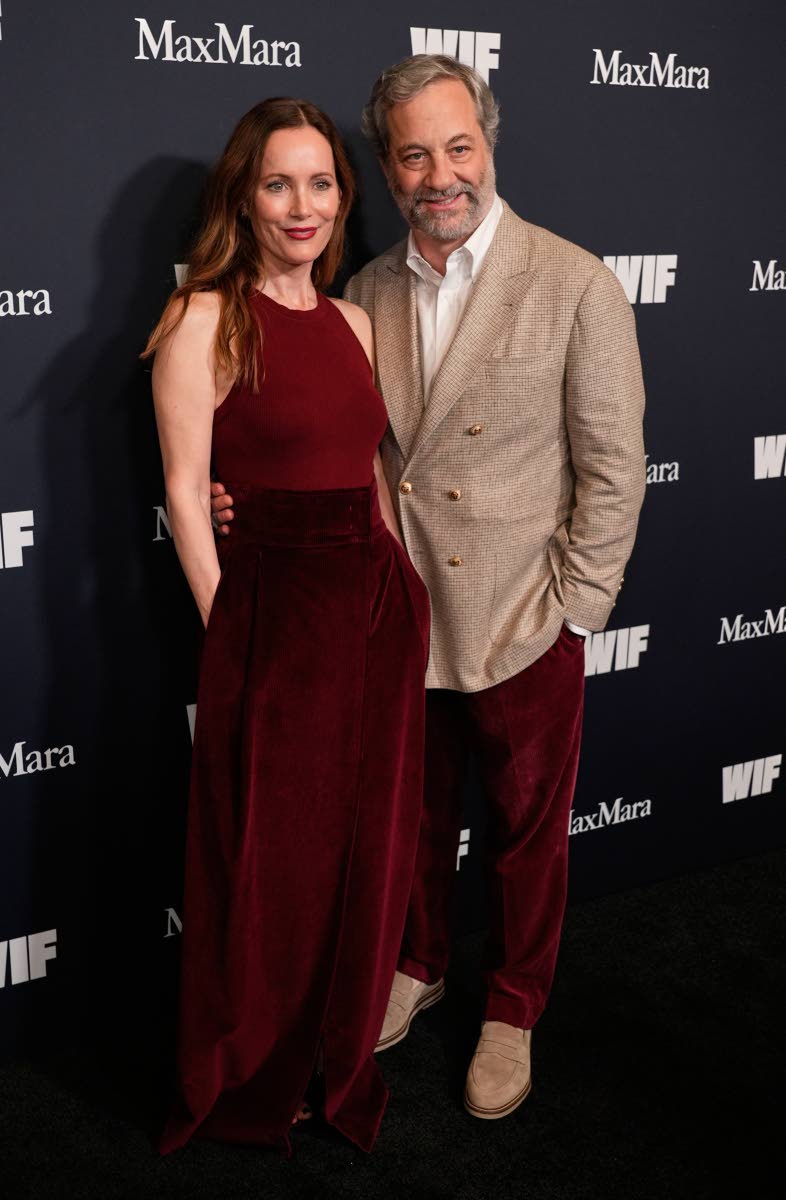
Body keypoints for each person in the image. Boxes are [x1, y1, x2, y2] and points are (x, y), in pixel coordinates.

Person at [212, 54, 646, 1122]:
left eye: (458, 147)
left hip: (518, 620)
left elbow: (613, 466)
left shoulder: (575, 280)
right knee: (406, 821)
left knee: (525, 832)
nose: (439, 173)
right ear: (388, 169)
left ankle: (513, 1005)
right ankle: (420, 961)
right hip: (394, 617)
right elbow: (343, 448)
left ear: (489, 146)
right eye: (413, 154)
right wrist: (245, 503)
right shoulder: (364, 292)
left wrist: (574, 611)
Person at [144, 97, 430, 1156]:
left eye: (320, 182)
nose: (301, 205)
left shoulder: (354, 320)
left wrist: (402, 591)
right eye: (278, 183)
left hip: (375, 613)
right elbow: (185, 490)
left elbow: (370, 473)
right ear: (245, 196)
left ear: (341, 196)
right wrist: (233, 633)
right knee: (271, 860)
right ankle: (256, 1072)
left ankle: (335, 1057)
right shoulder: (204, 318)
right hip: (274, 625)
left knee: (367, 853)